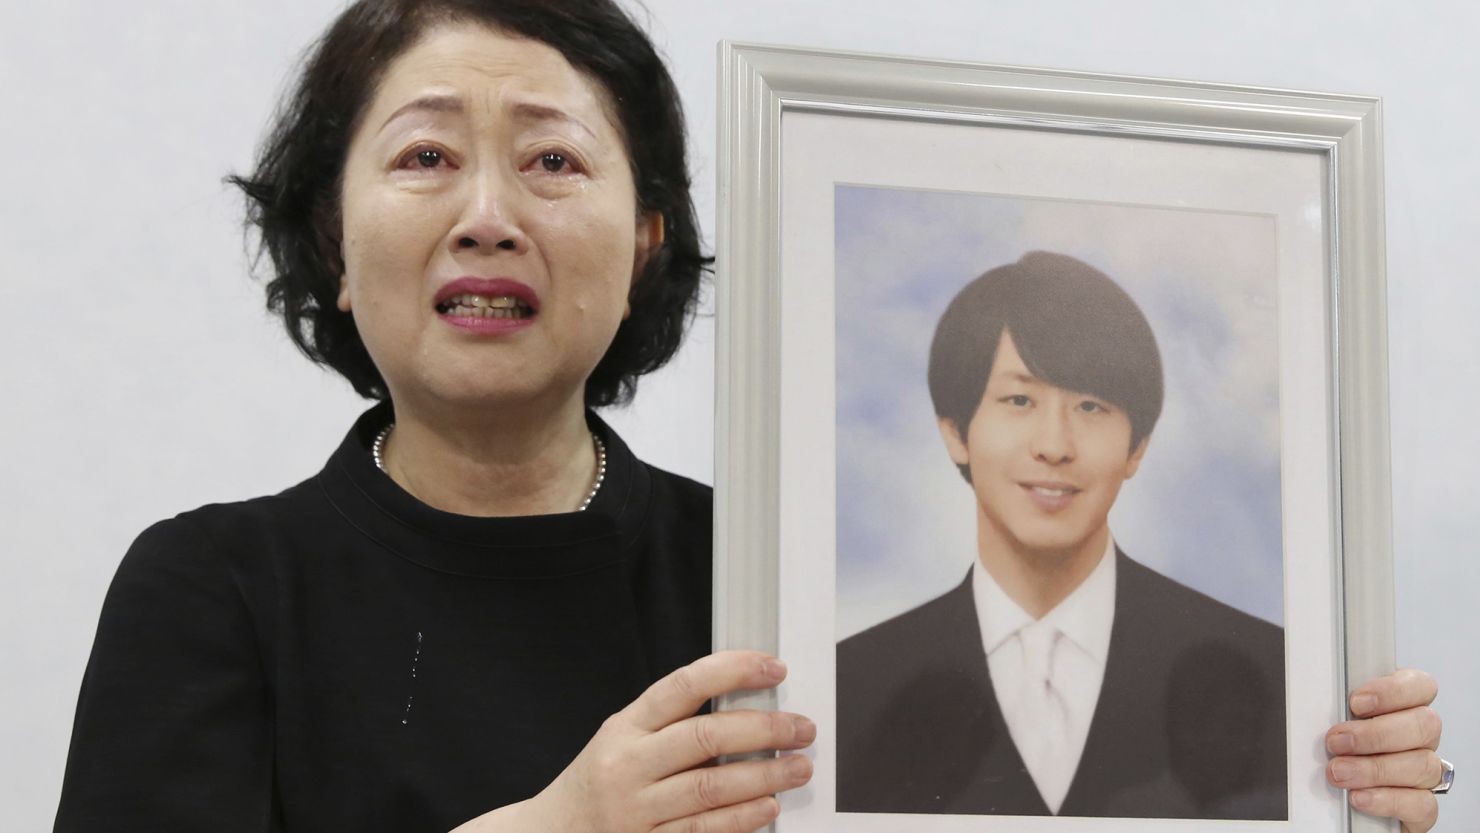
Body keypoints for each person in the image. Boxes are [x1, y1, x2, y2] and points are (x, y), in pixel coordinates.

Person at [51, 3, 1444, 833]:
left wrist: (1318, 788)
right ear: (331, 239)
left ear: (649, 237)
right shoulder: (211, 588)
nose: (489, 214)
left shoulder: (774, 581)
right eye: (424, 156)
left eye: (553, 159)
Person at [837, 253, 1446, 826]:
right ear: (955, 432)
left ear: (1138, 448)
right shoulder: (843, 688)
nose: (1054, 443)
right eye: (1019, 399)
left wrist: (1399, 800)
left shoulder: (1282, 679)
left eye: (1092, 406)